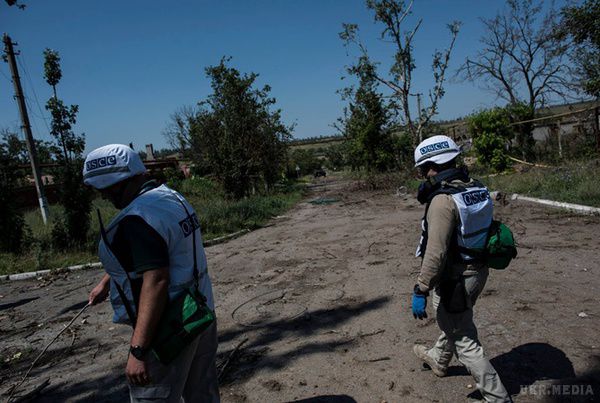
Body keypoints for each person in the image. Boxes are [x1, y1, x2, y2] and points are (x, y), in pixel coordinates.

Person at [83, 144, 220, 403]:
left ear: (124, 182)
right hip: (200, 312)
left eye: (108, 191)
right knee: (202, 393)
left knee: (152, 397)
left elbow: (156, 280)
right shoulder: (169, 197)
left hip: (170, 329)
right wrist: (106, 281)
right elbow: (154, 253)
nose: (106, 198)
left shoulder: (138, 218)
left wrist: (138, 351)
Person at [410, 135, 511, 403]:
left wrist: (421, 287)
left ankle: (497, 397)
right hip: (477, 272)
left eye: (422, 170)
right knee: (454, 319)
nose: (422, 176)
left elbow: (436, 252)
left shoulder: (442, 201)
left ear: (432, 167)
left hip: (456, 277)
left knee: (463, 338)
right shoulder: (475, 187)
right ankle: (438, 359)